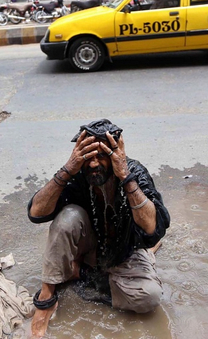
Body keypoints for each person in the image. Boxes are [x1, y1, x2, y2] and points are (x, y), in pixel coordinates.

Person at [28, 119, 170, 338]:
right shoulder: (78, 173)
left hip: (124, 251)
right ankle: (47, 297)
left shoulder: (134, 172)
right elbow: (36, 212)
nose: (94, 164)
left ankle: (80, 272)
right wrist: (67, 169)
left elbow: (153, 227)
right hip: (90, 246)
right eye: (88, 157)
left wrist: (124, 176)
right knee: (68, 217)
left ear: (115, 154)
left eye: (101, 155)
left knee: (149, 298)